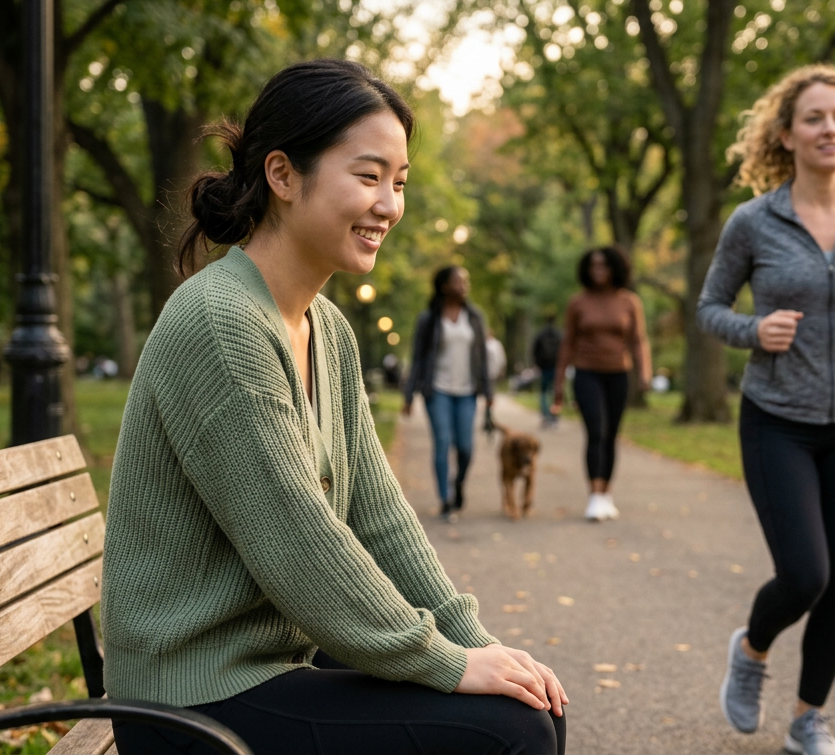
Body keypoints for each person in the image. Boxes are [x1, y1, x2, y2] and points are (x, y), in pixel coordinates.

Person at [101, 60, 566, 755]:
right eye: (369, 176)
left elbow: (378, 516)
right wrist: (442, 660)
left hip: (270, 665)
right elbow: (297, 541)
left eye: (400, 183)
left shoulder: (329, 328)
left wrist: (477, 645)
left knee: (525, 703)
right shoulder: (220, 321)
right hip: (190, 699)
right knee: (511, 733)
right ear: (283, 175)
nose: (389, 205)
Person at [697, 65, 835, 755]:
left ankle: (807, 722)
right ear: (787, 134)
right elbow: (709, 309)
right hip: (777, 419)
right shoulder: (754, 221)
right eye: (815, 118)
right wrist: (752, 332)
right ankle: (753, 648)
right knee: (806, 573)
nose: (830, 128)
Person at [551, 247, 652, 521]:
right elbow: (567, 343)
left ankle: (606, 492)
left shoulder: (629, 302)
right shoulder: (578, 302)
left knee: (611, 435)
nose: (598, 271)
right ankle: (594, 495)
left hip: (618, 374)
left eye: (604, 266)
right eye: (593, 265)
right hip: (586, 373)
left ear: (615, 269)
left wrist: (645, 372)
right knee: (596, 431)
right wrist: (558, 383)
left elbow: (638, 340)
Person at [402, 266, 494, 521]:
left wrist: (488, 392)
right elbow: (418, 358)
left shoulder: (474, 316)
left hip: (467, 392)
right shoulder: (429, 319)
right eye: (457, 281)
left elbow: (482, 357)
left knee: (465, 447)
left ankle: (459, 484)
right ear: (444, 286)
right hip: (437, 390)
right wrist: (409, 396)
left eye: (466, 281)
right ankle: (444, 500)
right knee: (442, 443)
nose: (463, 285)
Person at [532, 313, 563, 427]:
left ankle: (546, 416)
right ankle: (554, 416)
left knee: (544, 393)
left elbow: (534, 350)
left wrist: (538, 364)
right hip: (556, 367)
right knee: (555, 392)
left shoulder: (541, 334)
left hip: (544, 368)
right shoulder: (559, 334)